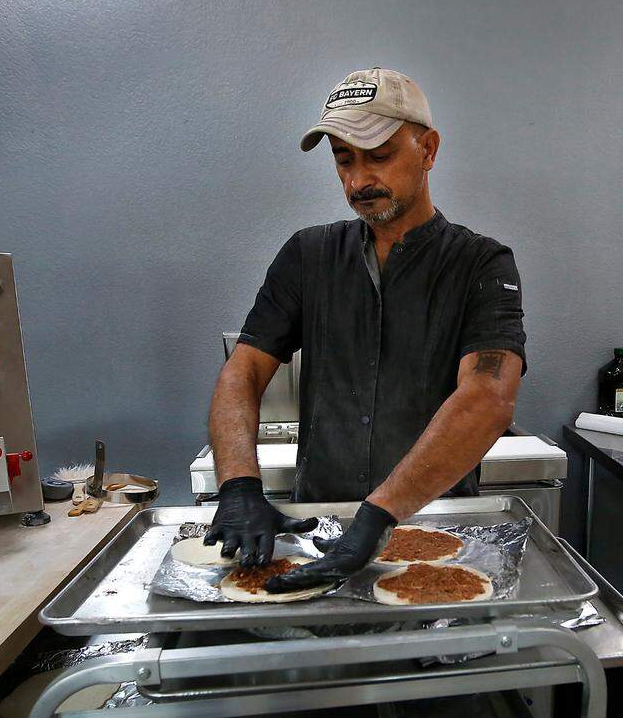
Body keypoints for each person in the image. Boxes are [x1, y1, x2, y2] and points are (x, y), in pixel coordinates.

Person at [203, 68, 527, 592]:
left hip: (430, 528)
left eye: (378, 156)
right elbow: (243, 371)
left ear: (428, 149)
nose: (358, 181)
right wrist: (238, 485)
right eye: (344, 159)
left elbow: (488, 398)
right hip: (322, 526)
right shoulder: (308, 256)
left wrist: (379, 514)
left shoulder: (480, 264)